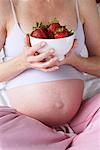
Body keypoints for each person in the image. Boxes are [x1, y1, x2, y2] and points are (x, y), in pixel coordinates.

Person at [0, 0, 100, 149]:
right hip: (24, 126)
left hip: (80, 119)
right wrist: (24, 61)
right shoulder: (5, 5)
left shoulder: (83, 2)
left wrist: (76, 61)